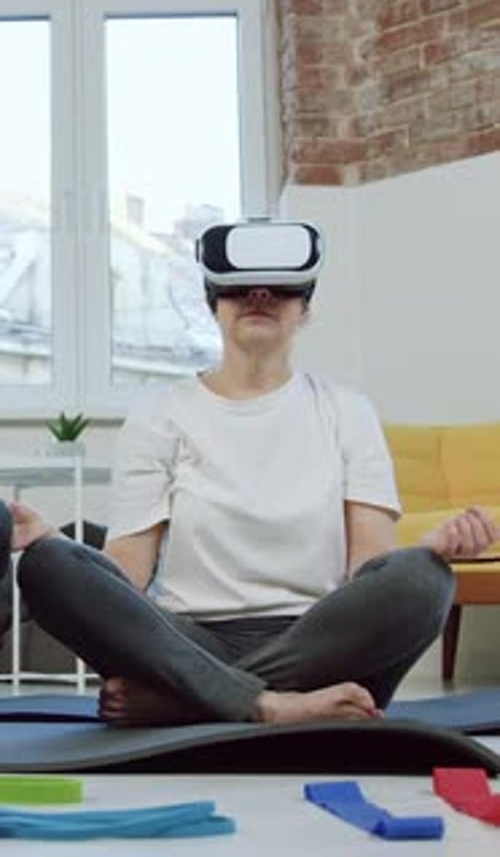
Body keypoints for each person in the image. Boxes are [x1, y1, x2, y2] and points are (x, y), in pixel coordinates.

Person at [2, 220, 499, 728]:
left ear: (304, 308)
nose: (258, 296)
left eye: (279, 288)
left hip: (322, 638)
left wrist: (429, 550)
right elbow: (129, 569)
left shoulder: (348, 411)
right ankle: (269, 705)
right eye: (239, 288)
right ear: (212, 303)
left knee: (424, 581)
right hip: (187, 637)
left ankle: (189, 702)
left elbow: (369, 566)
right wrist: (67, 554)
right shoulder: (159, 415)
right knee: (46, 565)